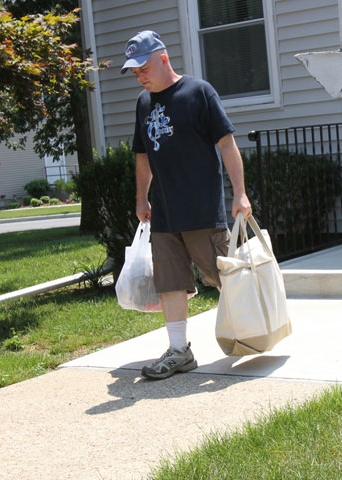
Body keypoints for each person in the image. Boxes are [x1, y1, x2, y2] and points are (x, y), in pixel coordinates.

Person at [121, 30, 252, 379]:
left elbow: (226, 144)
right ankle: (179, 351)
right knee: (170, 282)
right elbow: (143, 157)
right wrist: (141, 199)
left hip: (202, 209)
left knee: (225, 277)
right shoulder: (143, 103)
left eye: (143, 67)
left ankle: (257, 329)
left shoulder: (198, 92)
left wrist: (240, 193)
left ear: (163, 58)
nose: (140, 75)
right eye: (134, 72)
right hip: (164, 212)